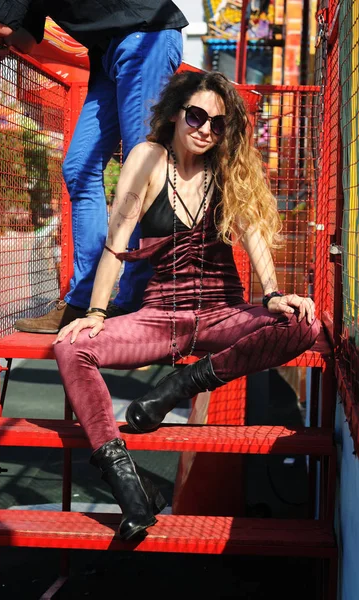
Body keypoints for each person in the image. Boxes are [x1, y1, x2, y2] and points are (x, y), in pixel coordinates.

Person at [52, 70, 320, 540]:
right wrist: (95, 313)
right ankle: (131, 490)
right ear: (176, 113)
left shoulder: (229, 166)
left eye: (217, 124)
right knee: (72, 349)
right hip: (160, 316)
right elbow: (116, 241)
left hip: (222, 311)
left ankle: (179, 385)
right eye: (196, 116)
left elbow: (254, 232)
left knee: (306, 325)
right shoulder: (148, 158)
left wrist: (274, 295)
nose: (204, 129)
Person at [0, 0, 188, 332]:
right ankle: (82, 301)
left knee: (143, 169)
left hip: (145, 36)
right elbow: (21, 35)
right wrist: (5, 40)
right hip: (110, 54)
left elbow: (0, 22)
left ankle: (135, 301)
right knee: (79, 166)